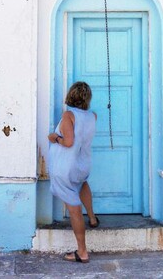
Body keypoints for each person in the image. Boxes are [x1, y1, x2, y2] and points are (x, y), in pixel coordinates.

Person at [48, 81, 99, 263]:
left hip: (65, 167)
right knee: (82, 184)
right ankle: (92, 218)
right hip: (82, 165)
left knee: (74, 207)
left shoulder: (68, 115)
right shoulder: (93, 116)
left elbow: (68, 142)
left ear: (71, 95)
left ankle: (82, 252)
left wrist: (54, 137)